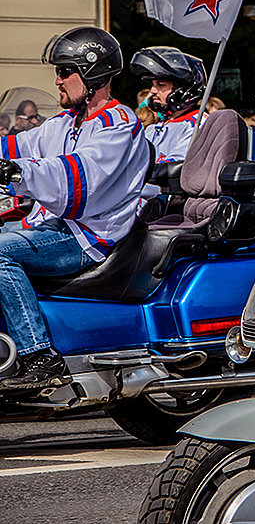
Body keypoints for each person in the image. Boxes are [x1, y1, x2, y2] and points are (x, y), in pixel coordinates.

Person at [0, 27, 151, 391]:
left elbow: (79, 175)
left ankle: (39, 356)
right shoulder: (64, 124)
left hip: (86, 237)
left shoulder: (119, 125)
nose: (57, 79)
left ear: (93, 74)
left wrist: (20, 171)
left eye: (65, 71)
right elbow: (16, 145)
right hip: (53, 228)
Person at [129, 46, 207, 163]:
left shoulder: (198, 126)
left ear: (184, 89)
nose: (153, 91)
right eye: (153, 85)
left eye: (161, 84)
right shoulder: (153, 128)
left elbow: (174, 168)